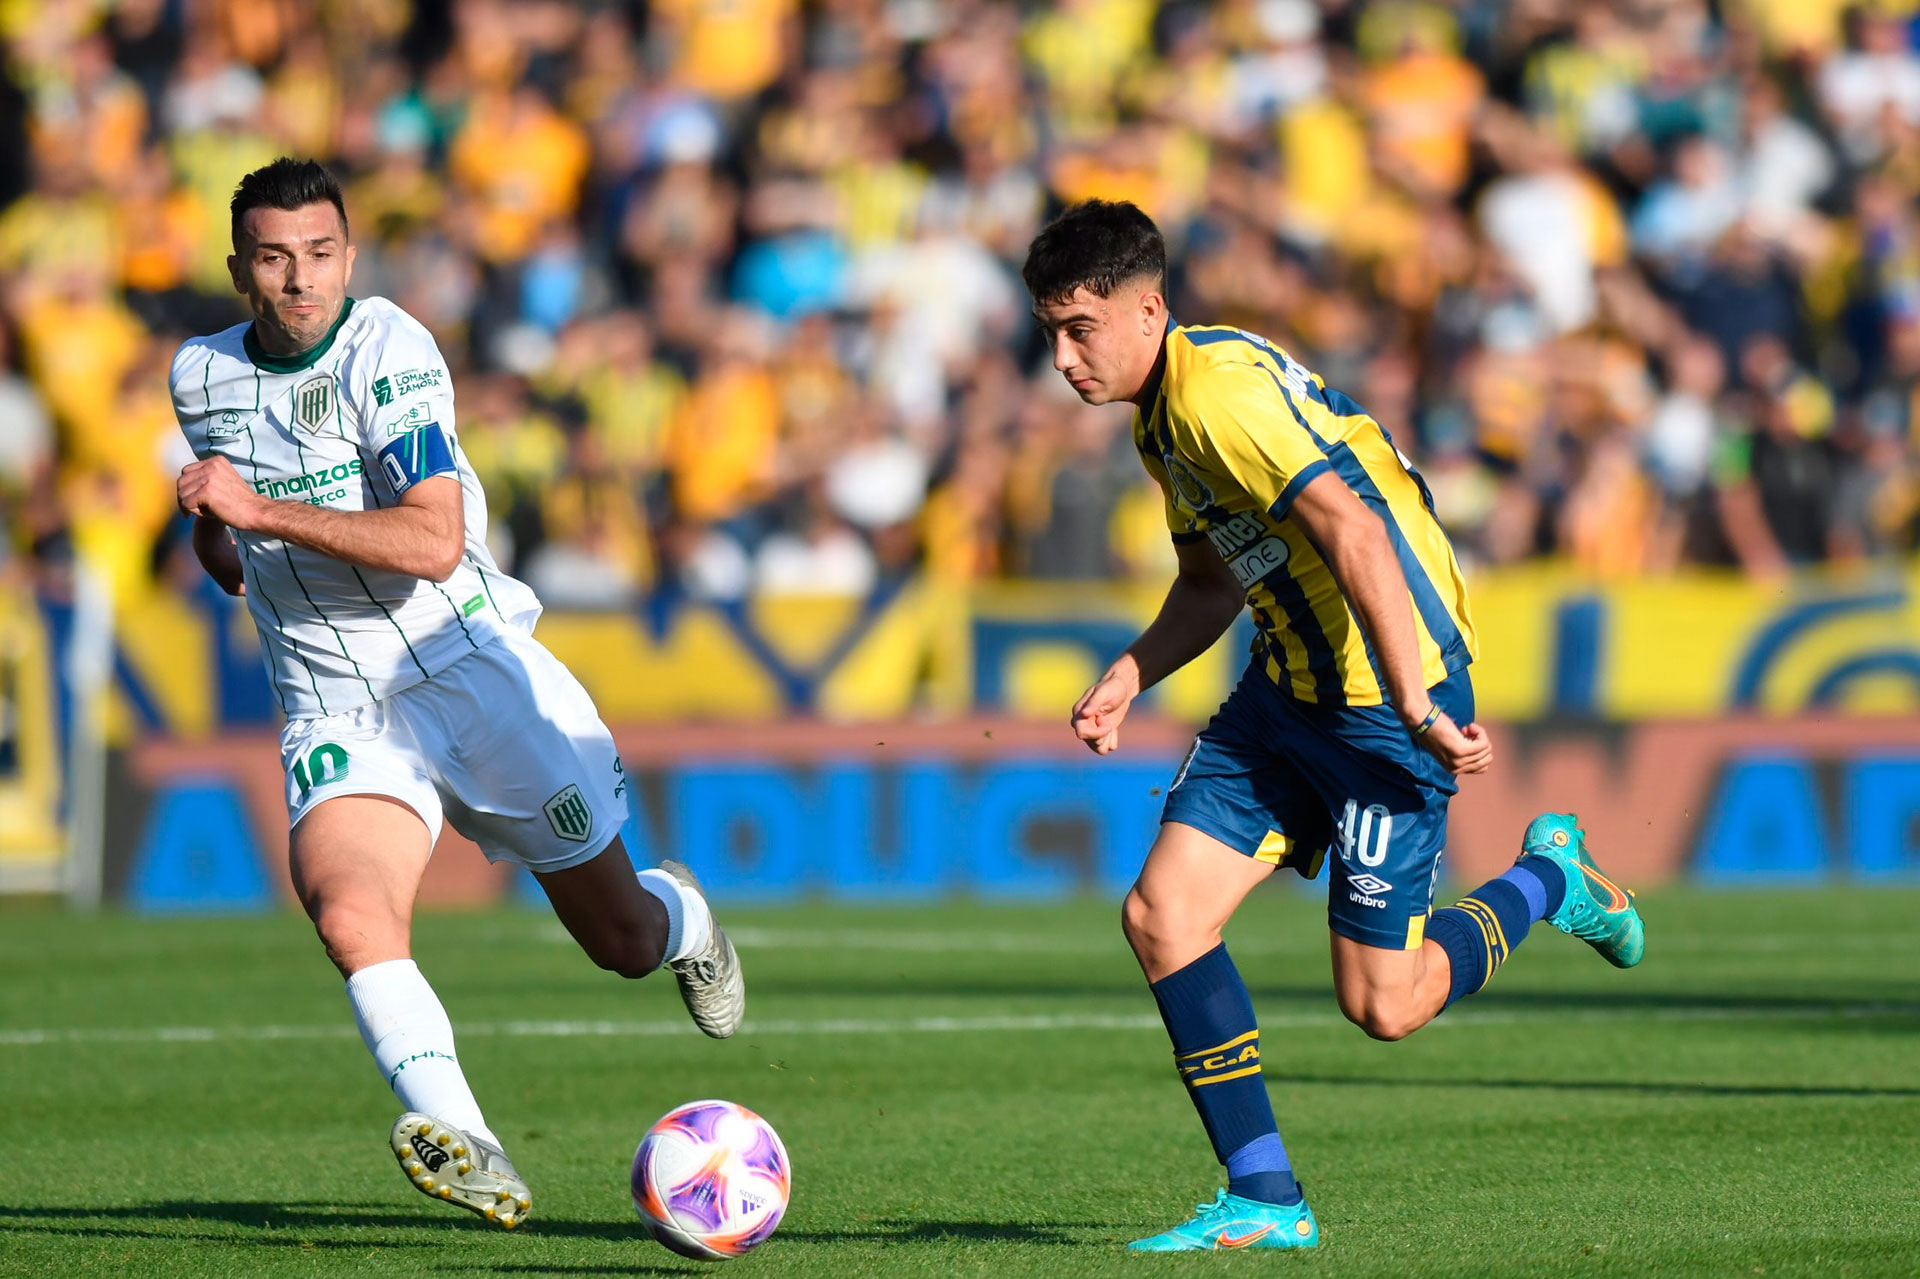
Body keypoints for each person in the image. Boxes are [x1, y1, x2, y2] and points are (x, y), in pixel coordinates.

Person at [1021, 200, 1645, 1252]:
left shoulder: (1217, 398)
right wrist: (1132, 669)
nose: (1062, 356)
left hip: (1380, 700)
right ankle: (1265, 1196)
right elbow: (1211, 583)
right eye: (1050, 331)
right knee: (1163, 915)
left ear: (1148, 309)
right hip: (1286, 691)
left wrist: (1413, 699)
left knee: (1385, 1007)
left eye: (1080, 328)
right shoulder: (1162, 419)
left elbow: (1354, 528)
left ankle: (1555, 879)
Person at [167, 158, 745, 1230]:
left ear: (350, 254)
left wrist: (258, 506)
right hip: (333, 697)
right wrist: (218, 521)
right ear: (240, 266)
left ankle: (686, 915)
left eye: (322, 254)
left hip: (469, 672)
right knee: (350, 911)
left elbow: (434, 541)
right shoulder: (200, 374)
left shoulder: (387, 347)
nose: (301, 280)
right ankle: (472, 1144)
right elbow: (235, 555)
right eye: (276, 258)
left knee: (619, 939)